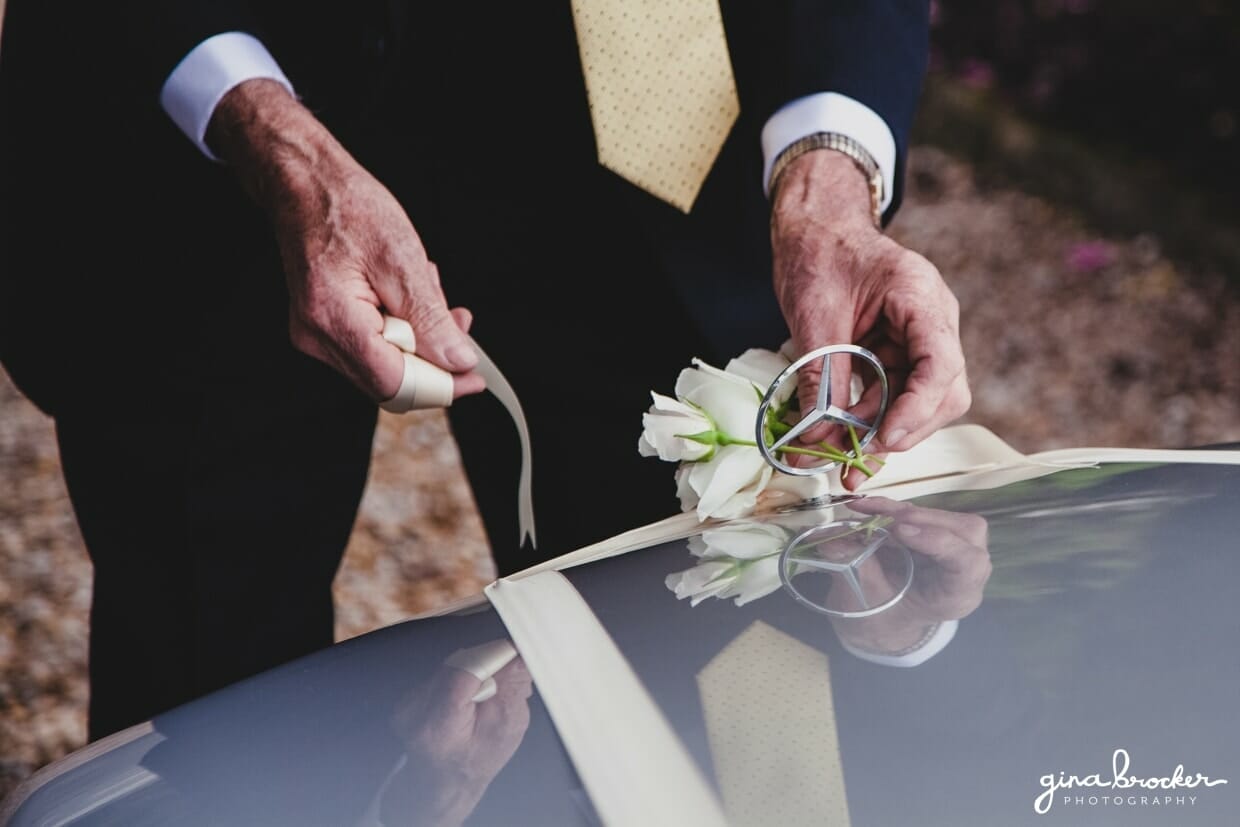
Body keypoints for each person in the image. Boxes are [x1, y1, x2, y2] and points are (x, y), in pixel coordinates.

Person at [0, 0, 969, 742]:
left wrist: (828, 184)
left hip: (627, 106)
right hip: (222, 116)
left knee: (738, 647)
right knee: (208, 672)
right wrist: (270, 136)